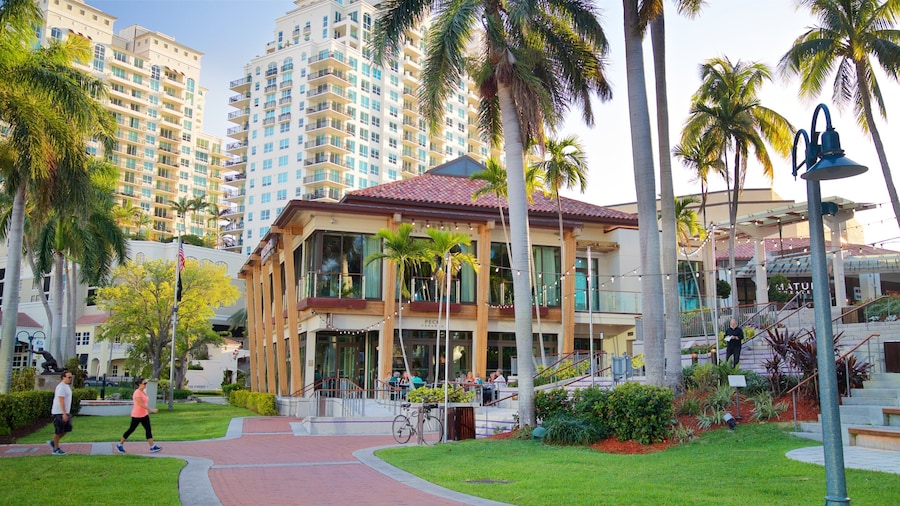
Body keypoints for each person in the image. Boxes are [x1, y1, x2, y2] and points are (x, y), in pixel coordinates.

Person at [116, 378, 161, 453]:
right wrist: (151, 410)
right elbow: (141, 404)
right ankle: (120, 444)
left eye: (146, 383)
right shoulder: (137, 393)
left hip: (144, 415)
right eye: (144, 383)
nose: (146, 385)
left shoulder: (143, 392)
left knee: (148, 430)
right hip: (137, 415)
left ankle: (152, 446)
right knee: (131, 430)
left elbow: (145, 402)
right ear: (140, 384)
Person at [48, 370, 73, 455]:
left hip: (65, 412)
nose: (70, 379)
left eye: (71, 377)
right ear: (63, 378)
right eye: (69, 377)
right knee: (58, 430)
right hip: (59, 412)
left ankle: (54, 442)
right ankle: (56, 449)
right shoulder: (61, 387)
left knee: (67, 429)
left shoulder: (66, 386)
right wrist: (64, 413)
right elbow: (61, 400)